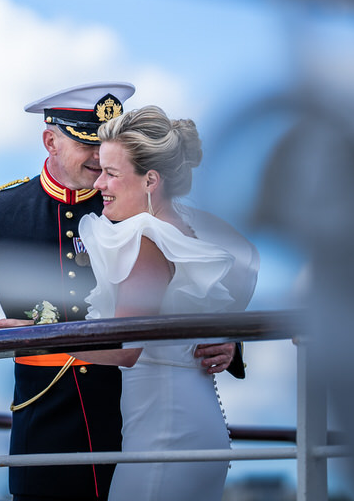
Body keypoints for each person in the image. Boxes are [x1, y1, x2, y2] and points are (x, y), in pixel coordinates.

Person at [0, 82, 241, 501]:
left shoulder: (135, 201)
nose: (100, 160)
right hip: (49, 423)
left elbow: (199, 277)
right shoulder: (4, 211)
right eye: (88, 144)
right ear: (50, 140)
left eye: (106, 148)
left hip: (134, 414)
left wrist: (225, 340)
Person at [68, 105, 258, 500]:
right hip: (192, 423)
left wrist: (29, 336)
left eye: (112, 173)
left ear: (151, 179)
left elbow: (123, 348)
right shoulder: (187, 228)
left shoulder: (150, 238)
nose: (99, 183)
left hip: (164, 435)